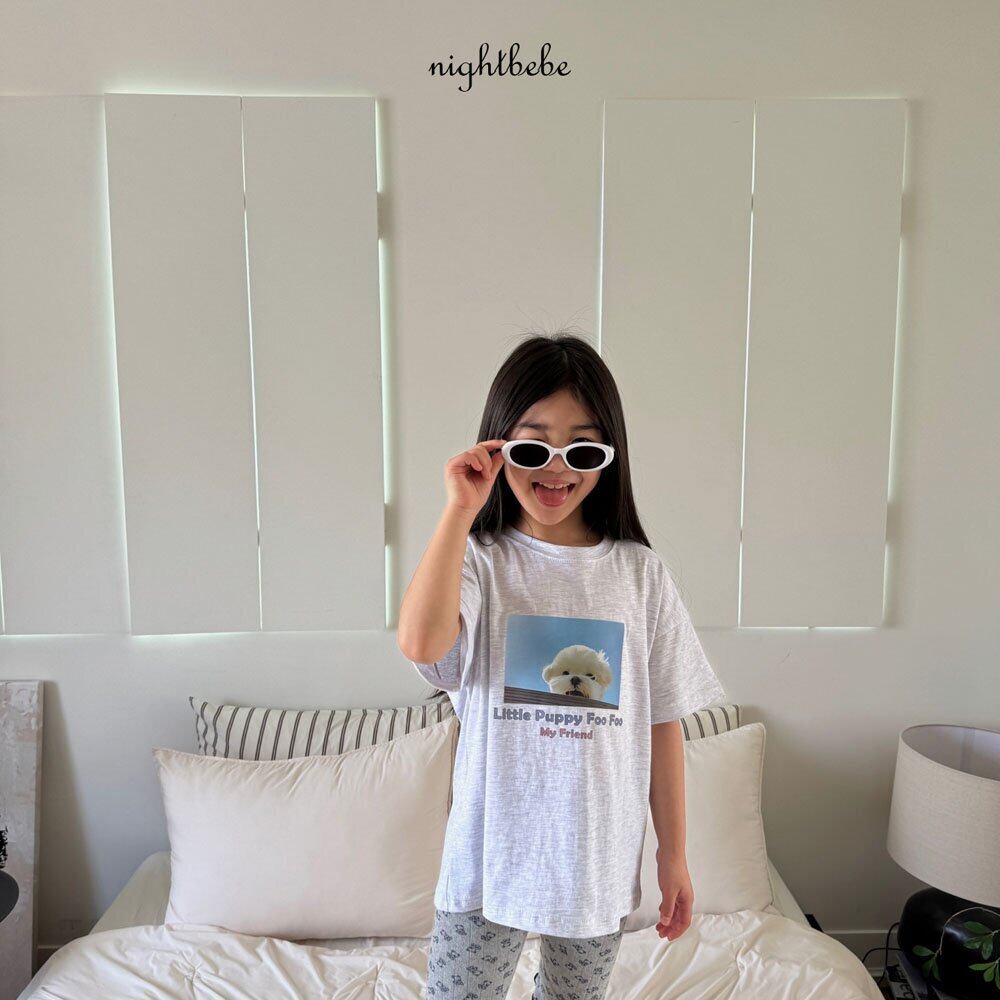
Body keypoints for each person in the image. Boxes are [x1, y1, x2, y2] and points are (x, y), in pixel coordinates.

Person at [397, 333, 727, 999]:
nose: (556, 468)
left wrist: (673, 856)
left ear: (609, 457)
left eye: (581, 449)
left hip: (595, 862)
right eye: (531, 447)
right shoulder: (480, 562)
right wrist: (459, 511)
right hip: (486, 859)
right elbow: (421, 644)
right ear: (497, 450)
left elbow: (662, 724)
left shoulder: (640, 575)